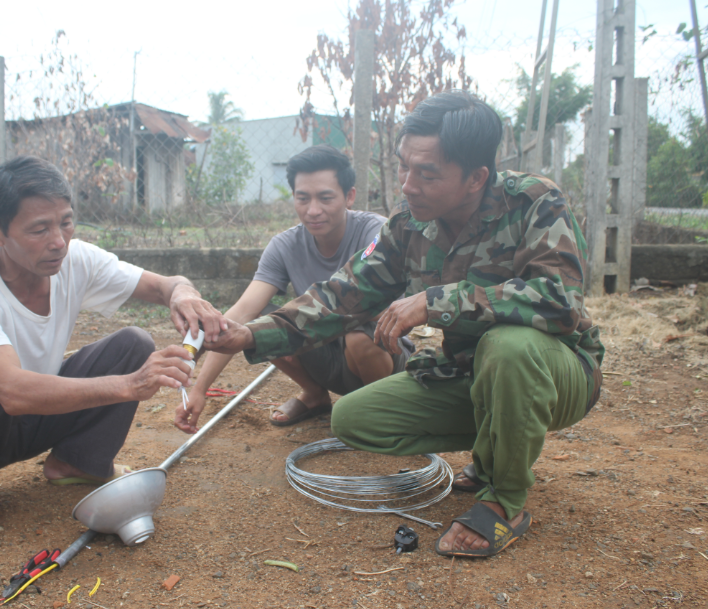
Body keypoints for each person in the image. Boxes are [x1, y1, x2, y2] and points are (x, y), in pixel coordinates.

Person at [205, 91, 604, 558]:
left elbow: (559, 300)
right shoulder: (408, 224)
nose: (408, 185)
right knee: (354, 418)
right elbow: (343, 295)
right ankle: (495, 448)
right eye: (403, 167)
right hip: (473, 376)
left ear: (476, 177)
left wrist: (436, 301)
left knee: (509, 345)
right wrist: (251, 334)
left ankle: (503, 502)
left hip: (560, 374)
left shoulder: (535, 201)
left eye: (427, 174)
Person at [0, 156, 226, 550]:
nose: (59, 241)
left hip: (38, 413)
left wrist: (183, 293)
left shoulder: (74, 258)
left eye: (65, 222)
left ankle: (75, 462)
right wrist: (130, 384)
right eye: (39, 229)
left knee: (133, 344)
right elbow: (12, 392)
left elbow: (163, 285)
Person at [174, 145, 408, 434]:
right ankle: (314, 396)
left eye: (325, 198)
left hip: (379, 355)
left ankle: (383, 411)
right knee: (260, 322)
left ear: (350, 196)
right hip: (323, 353)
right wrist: (199, 388)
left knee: (358, 335)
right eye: (302, 198)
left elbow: (377, 311)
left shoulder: (376, 233)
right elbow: (243, 313)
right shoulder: (285, 246)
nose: (313, 211)